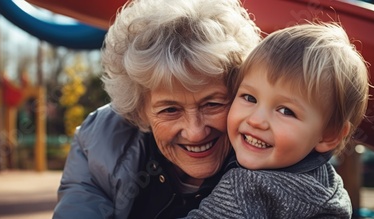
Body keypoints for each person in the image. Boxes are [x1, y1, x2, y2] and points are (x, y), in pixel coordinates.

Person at [52, 0, 261, 218]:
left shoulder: (276, 147)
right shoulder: (99, 144)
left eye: (212, 104)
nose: (195, 132)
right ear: (138, 111)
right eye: (170, 110)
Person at [185, 22, 370, 218]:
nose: (256, 120)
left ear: (328, 135)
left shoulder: (247, 188)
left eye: (285, 111)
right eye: (249, 98)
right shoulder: (328, 183)